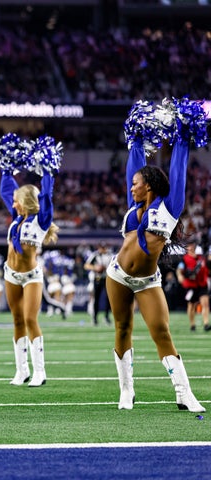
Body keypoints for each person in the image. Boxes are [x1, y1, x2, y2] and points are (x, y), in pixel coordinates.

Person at [107, 98, 205, 412]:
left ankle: (184, 393)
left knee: (161, 332)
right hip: (117, 275)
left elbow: (179, 168)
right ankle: (126, 390)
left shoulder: (170, 206)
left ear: (148, 185)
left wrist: (183, 135)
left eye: (135, 183)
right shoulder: (134, 204)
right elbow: (134, 156)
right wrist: (135, 136)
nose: (130, 186)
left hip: (147, 280)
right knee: (122, 328)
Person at [0, 133, 61, 388]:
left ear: (25, 202)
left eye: (17, 200)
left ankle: (40, 371)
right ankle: (21, 371)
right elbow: (5, 188)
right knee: (17, 320)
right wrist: (6, 168)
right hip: (10, 273)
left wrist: (48, 170)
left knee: (31, 319)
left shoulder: (40, 220)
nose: (13, 202)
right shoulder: (16, 218)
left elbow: (47, 195)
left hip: (31, 276)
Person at [176, 242, 210, 332]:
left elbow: (207, 266)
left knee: (205, 303)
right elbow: (180, 269)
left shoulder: (202, 258)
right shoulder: (184, 259)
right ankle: (192, 324)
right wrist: (180, 276)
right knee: (191, 305)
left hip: (202, 284)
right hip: (191, 285)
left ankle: (206, 323)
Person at [84, 242, 114, 325]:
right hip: (98, 278)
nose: (103, 249)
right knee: (96, 298)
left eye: (104, 247)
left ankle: (107, 317)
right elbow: (86, 265)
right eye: (101, 247)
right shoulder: (95, 255)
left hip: (108, 278)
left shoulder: (111, 255)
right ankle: (95, 317)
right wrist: (95, 268)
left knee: (109, 299)